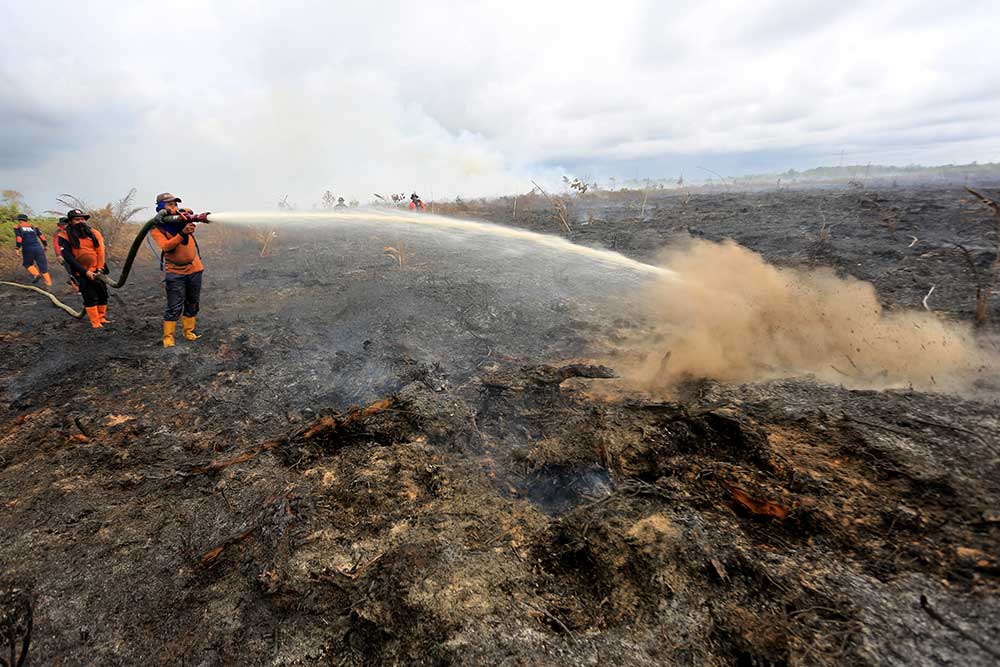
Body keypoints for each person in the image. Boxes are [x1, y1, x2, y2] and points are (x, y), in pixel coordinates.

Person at [149, 193, 209, 348]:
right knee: (174, 305)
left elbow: (188, 210)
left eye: (175, 204)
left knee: (192, 302)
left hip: (195, 269)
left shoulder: (182, 218)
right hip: (175, 272)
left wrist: (190, 216)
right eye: (170, 205)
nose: (174, 207)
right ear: (161, 207)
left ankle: (189, 332)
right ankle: (168, 338)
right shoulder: (156, 228)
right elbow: (166, 246)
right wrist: (183, 233)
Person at [57, 209, 110, 328]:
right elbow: (69, 258)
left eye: (82, 219)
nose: (81, 222)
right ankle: (95, 322)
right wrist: (85, 272)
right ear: (70, 221)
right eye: (77, 220)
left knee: (102, 294)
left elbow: (100, 251)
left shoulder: (94, 233)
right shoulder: (64, 236)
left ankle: (102, 317)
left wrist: (100, 268)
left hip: (98, 270)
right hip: (81, 272)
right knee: (90, 296)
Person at [12, 214, 52, 287]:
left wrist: (17, 248)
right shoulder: (34, 227)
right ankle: (49, 285)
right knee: (43, 267)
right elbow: (42, 237)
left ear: (19, 220)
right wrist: (45, 245)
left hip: (28, 249)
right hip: (38, 248)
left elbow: (19, 238)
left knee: (27, 264)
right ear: (26, 220)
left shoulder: (17, 227)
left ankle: (36, 274)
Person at [52, 216, 80, 292]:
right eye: (63, 224)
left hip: (76, 254)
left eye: (66, 224)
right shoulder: (58, 233)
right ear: (60, 225)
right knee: (71, 271)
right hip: (65, 255)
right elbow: (56, 244)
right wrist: (58, 255)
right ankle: (77, 289)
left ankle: (78, 285)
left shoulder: (74, 230)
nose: (65, 226)